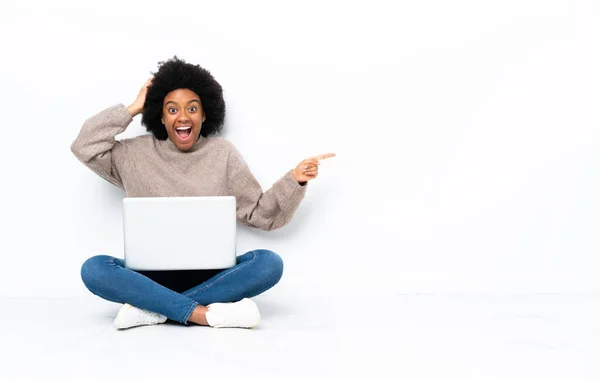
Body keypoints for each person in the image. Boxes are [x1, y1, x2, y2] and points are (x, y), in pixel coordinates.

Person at [71, 56, 335, 330]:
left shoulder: (223, 154)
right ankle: (204, 314)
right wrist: (133, 107)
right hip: (150, 276)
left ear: (205, 114)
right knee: (94, 269)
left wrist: (295, 180)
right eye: (172, 110)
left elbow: (260, 214)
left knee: (269, 263)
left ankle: (154, 308)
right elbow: (84, 146)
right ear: (160, 116)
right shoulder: (132, 154)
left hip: (212, 276)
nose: (183, 117)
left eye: (192, 109)